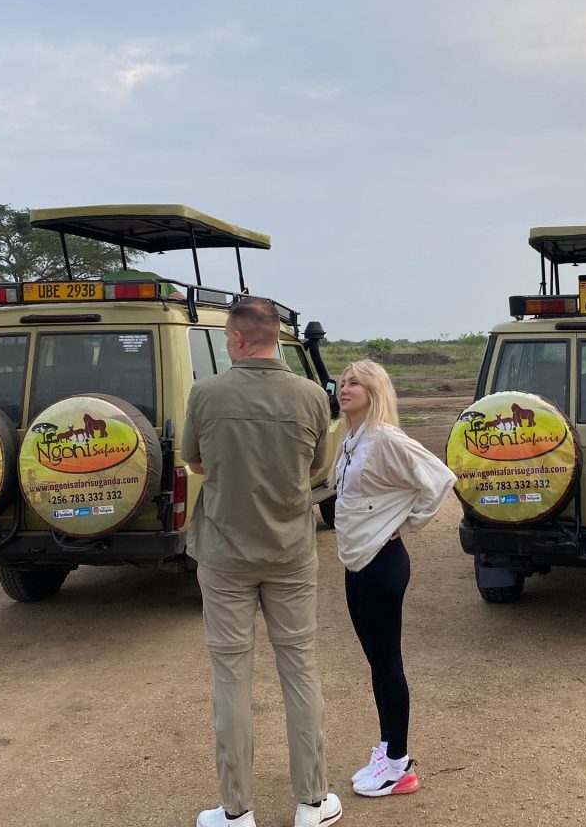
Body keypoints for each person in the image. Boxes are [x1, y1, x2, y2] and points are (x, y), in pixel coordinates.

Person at [182, 296, 341, 827]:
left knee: (230, 677)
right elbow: (316, 466)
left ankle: (236, 811)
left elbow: (195, 459)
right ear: (275, 336)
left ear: (237, 339)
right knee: (299, 669)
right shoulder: (312, 395)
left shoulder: (205, 393)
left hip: (224, 554)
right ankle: (313, 802)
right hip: (290, 553)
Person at [333, 359, 456, 798]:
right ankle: (388, 749)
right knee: (377, 663)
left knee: (387, 664)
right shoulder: (352, 438)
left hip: (383, 562)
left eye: (355, 384)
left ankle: (400, 766)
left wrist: (406, 522)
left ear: (375, 391)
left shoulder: (385, 438)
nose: (344, 388)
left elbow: (440, 480)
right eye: (342, 382)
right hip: (358, 561)